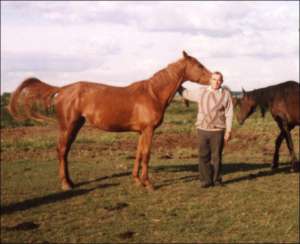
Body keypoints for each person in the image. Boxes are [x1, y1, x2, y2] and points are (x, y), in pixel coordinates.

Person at [179, 71, 233, 188]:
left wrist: (228, 131)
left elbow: (229, 113)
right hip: (202, 130)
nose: (216, 82)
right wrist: (176, 82)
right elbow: (185, 93)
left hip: (218, 131)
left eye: (219, 80)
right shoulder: (201, 91)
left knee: (216, 157)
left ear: (222, 81)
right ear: (210, 80)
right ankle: (205, 181)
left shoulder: (226, 94)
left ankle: (217, 180)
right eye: (214, 79)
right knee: (203, 156)